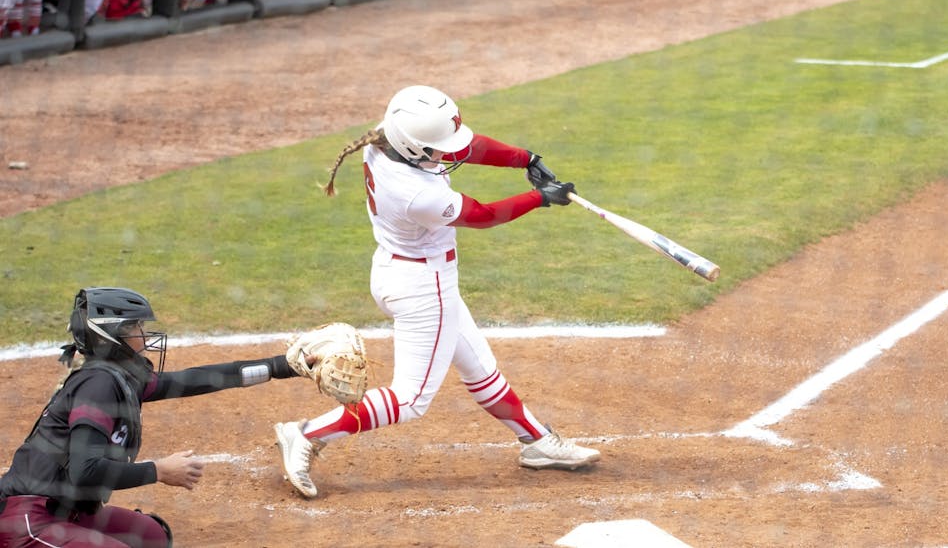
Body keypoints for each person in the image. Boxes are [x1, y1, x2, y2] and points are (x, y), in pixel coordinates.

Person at [273, 85, 600, 500]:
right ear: (415, 148)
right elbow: (481, 215)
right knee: (410, 399)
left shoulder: (393, 134)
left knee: (480, 368)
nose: (449, 152)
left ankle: (537, 442)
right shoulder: (415, 192)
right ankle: (305, 434)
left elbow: (469, 147)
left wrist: (526, 159)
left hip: (405, 272)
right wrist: (539, 198)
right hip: (423, 289)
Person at [0, 286, 306, 546]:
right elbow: (85, 471)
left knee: (151, 537)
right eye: (135, 327)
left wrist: (282, 366)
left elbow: (196, 379)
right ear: (110, 335)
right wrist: (158, 471)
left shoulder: (120, 376)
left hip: (70, 511)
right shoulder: (98, 385)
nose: (144, 334)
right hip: (28, 519)